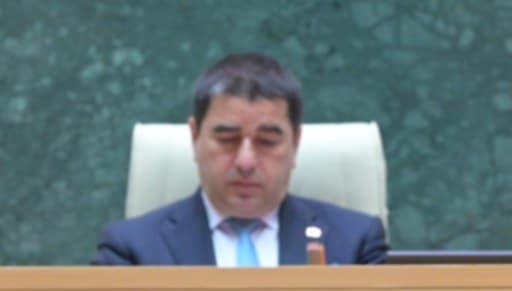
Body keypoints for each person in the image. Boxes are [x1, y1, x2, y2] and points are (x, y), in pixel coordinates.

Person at [94, 53, 389, 266]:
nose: (246, 162)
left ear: (295, 143)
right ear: (195, 137)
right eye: (227, 139)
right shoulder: (131, 249)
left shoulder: (355, 243)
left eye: (267, 141)